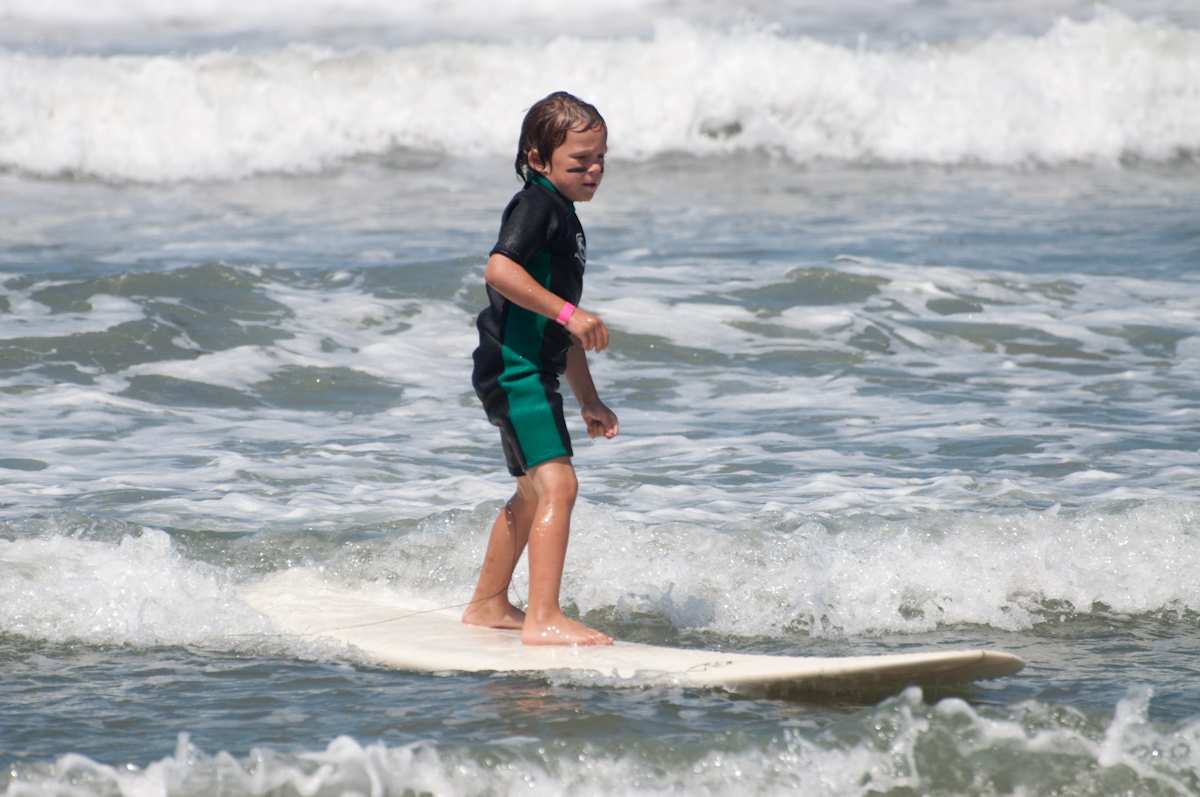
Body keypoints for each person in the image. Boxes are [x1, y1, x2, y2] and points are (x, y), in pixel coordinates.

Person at [463, 91, 618, 646]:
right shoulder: (537, 206)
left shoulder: (566, 218)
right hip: (515, 370)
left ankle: (487, 604)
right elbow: (500, 270)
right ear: (538, 159)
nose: (594, 171)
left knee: (534, 492)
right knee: (559, 486)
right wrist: (570, 312)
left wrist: (588, 400)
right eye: (579, 162)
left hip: (530, 369)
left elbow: (562, 327)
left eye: (600, 159)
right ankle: (543, 618)